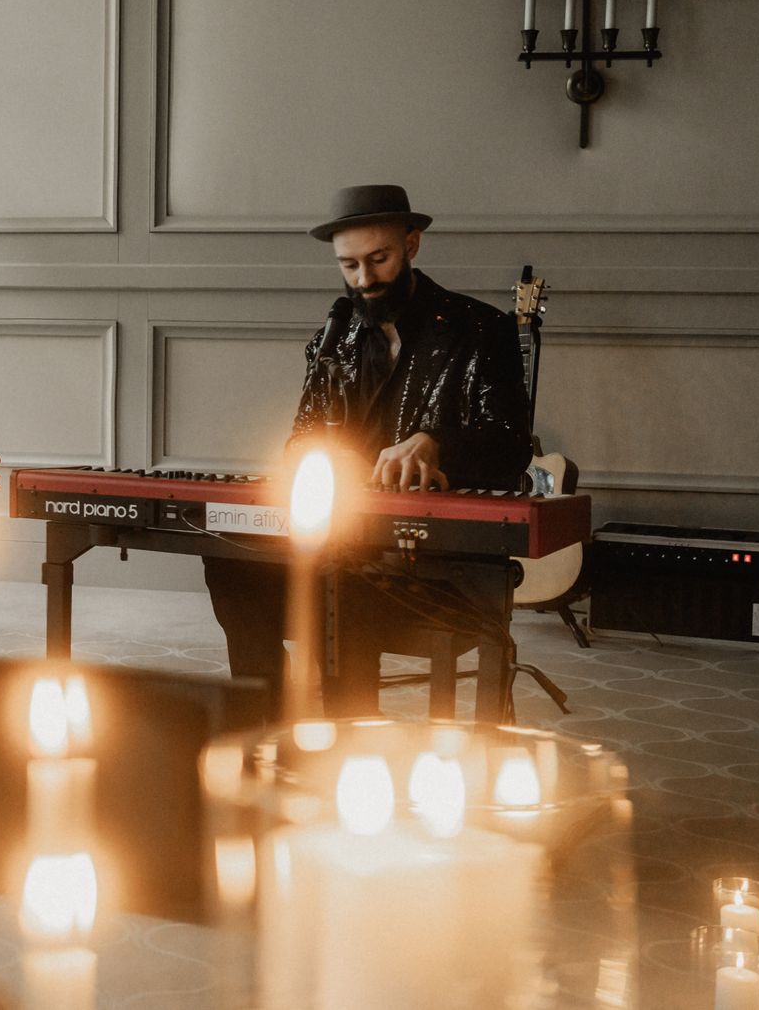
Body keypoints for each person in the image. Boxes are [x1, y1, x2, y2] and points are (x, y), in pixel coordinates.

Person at [203, 184, 532, 719]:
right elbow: (300, 442)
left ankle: (349, 735)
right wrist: (323, 462)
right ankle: (262, 718)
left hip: (438, 563)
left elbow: (511, 446)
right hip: (343, 544)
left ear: (412, 245)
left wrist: (437, 443)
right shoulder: (333, 339)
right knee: (232, 560)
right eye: (349, 265)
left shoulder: (481, 330)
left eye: (378, 260)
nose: (364, 280)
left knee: (343, 590)